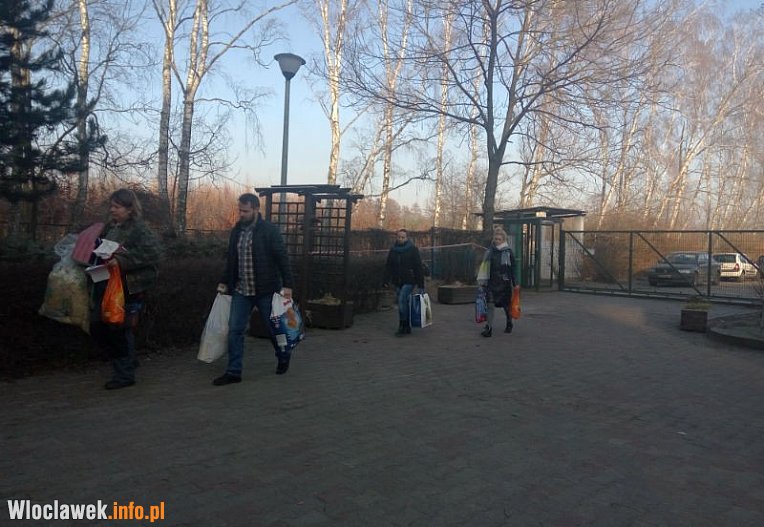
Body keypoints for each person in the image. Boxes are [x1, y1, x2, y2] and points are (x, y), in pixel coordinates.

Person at [213, 193, 294, 385]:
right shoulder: (236, 231)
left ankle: (283, 355)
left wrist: (288, 285)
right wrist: (224, 281)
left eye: (245, 211)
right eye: (240, 210)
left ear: (256, 209)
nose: (241, 214)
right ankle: (234, 372)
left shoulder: (269, 231)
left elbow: (282, 258)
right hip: (241, 291)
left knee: (274, 329)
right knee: (235, 330)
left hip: (266, 290)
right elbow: (231, 260)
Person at [89, 189, 161, 390]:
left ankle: (124, 374)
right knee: (99, 325)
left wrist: (121, 261)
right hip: (108, 283)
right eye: (111, 206)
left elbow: (153, 254)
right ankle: (128, 360)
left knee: (118, 328)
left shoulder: (140, 229)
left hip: (129, 286)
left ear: (130, 209)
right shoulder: (112, 227)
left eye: (117, 207)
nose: (112, 210)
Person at [383, 229, 425, 336]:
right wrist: (385, 280)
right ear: (396, 238)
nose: (400, 239)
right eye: (399, 237)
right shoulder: (393, 250)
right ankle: (406, 326)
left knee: (402, 300)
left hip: (409, 280)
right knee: (403, 303)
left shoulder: (412, 249)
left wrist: (421, 284)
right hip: (397, 280)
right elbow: (388, 266)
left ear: (407, 238)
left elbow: (418, 267)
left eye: (403, 237)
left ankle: (402, 326)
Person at [477, 225, 516, 337]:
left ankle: (509, 322)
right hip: (491, 282)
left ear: (503, 240)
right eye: (496, 239)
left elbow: (513, 268)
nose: (497, 241)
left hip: (504, 283)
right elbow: (484, 266)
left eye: (499, 239)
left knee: (506, 305)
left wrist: (515, 283)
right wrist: (482, 281)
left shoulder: (508, 252)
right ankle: (488, 328)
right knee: (490, 304)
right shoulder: (490, 251)